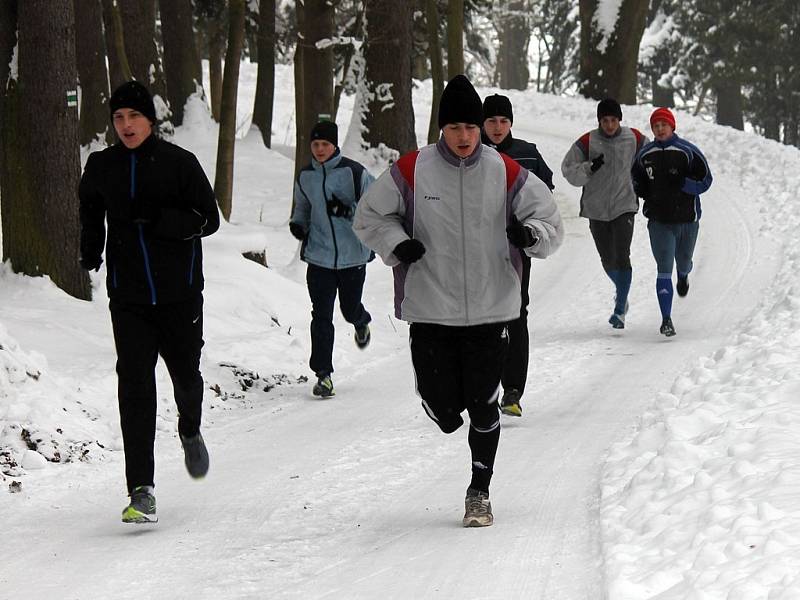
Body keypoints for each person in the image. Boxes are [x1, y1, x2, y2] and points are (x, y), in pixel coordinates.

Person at [354, 75, 564, 528]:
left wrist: (529, 235)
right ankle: (443, 409)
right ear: (441, 129)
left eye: (470, 127)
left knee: (486, 405)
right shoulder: (412, 170)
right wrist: (397, 242)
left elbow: (549, 220)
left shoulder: (507, 172)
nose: (465, 137)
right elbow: (369, 216)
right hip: (431, 306)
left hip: (492, 307)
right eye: (454, 128)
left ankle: (479, 491)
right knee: (444, 406)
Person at [79, 80, 220, 524]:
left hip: (179, 294)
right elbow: (89, 206)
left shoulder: (180, 164)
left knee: (186, 378)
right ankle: (141, 489)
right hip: (129, 297)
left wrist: (162, 221)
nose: (126, 125)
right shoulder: (102, 166)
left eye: (134, 117)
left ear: (150, 120)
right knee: (135, 387)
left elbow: (208, 219)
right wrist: (91, 246)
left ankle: (190, 429)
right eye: (119, 117)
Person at [289, 121, 375, 397]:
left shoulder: (354, 172)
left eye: (325, 144)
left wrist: (348, 210)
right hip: (319, 257)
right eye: (315, 145)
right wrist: (298, 225)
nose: (320, 149)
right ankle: (323, 374)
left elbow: (375, 207)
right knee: (321, 316)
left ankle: (361, 321)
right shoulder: (305, 176)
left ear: (334, 144)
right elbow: (301, 207)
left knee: (349, 310)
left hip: (353, 256)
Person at [482, 93, 555, 418]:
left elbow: (545, 198)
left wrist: (527, 229)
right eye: (491, 121)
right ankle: (481, 384)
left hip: (514, 250)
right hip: (474, 249)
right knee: (478, 317)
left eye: (503, 121)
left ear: (511, 123)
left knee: (515, 313)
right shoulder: (469, 153)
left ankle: (512, 390)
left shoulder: (527, 155)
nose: (497, 127)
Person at [561, 98, 648, 330]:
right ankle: (623, 293)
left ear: (620, 119)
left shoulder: (634, 139)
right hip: (596, 208)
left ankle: (620, 308)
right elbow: (568, 171)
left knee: (622, 255)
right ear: (599, 120)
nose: (609, 125)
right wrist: (589, 167)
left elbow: (651, 159)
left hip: (624, 205)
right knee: (607, 259)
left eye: (613, 120)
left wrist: (647, 182)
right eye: (605, 120)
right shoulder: (587, 141)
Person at [632, 107, 713, 337]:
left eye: (663, 125)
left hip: (687, 219)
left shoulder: (688, 151)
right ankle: (666, 319)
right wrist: (641, 193)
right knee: (664, 267)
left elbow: (706, 179)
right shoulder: (645, 154)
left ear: (672, 126)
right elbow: (635, 181)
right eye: (656, 126)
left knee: (684, 260)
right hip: (659, 221)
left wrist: (685, 184)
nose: (659, 129)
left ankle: (684, 274)